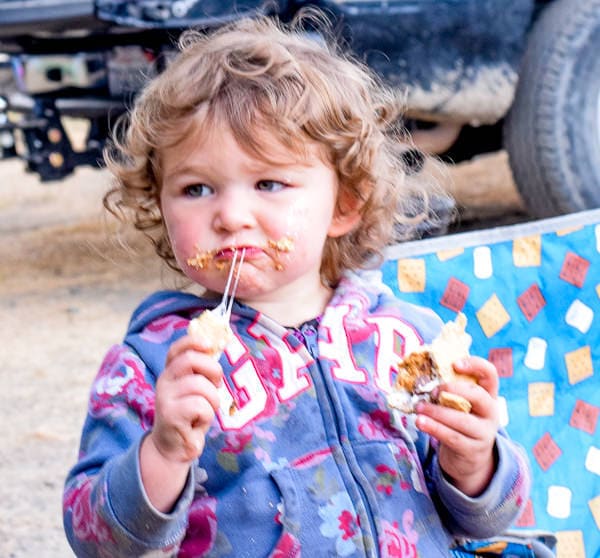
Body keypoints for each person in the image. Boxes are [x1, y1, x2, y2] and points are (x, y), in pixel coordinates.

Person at [63, 13, 530, 557]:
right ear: (159, 203)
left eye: (269, 182)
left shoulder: (406, 340)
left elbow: (491, 518)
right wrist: (163, 454)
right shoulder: (150, 365)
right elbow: (94, 540)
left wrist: (475, 462)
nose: (232, 214)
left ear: (346, 203)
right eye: (196, 189)